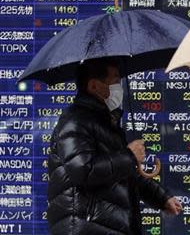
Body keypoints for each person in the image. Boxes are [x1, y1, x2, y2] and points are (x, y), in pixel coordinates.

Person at [47, 57, 182, 235]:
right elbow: (83, 171)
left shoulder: (104, 122)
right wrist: (129, 155)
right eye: (115, 80)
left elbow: (121, 173)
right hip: (86, 227)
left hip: (107, 224)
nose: (119, 87)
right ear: (94, 86)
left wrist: (161, 197)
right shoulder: (74, 122)